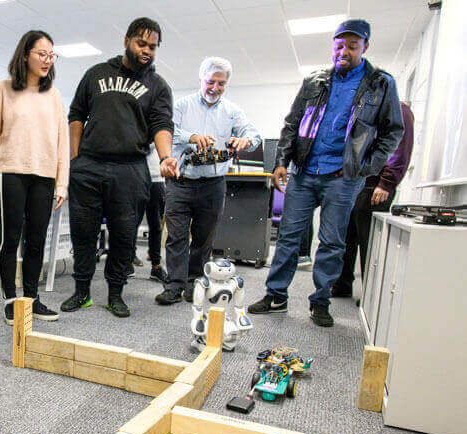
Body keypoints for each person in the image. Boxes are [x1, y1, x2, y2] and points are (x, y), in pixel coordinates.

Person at [249, 19, 404, 327]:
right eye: (339, 45)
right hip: (305, 171)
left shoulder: (380, 84)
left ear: (365, 47)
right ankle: (276, 295)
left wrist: (365, 167)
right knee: (289, 237)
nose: (344, 51)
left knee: (332, 241)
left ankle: (320, 301)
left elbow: (393, 131)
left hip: (343, 177)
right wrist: (281, 162)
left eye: (352, 46)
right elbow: (292, 123)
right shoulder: (315, 80)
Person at [61, 17, 177, 318]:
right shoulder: (96, 74)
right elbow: (76, 114)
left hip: (130, 169)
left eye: (153, 47)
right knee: (83, 233)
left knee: (124, 236)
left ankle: (115, 294)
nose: (147, 51)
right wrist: (75, 158)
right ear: (127, 40)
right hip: (89, 166)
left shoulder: (158, 86)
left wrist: (165, 157)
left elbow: (162, 125)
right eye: (141, 44)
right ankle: (82, 292)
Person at [0, 30, 69, 325]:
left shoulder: (54, 96)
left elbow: (62, 142)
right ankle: (10, 299)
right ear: (25, 55)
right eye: (42, 54)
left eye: (51, 55)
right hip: (9, 171)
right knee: (10, 237)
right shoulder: (2, 90)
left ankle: (31, 298)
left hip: (44, 175)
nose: (47, 60)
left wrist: (62, 183)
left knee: (37, 240)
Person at [156, 56, 261, 305]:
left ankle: (194, 283)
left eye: (221, 83)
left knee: (204, 239)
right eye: (211, 81)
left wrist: (245, 140)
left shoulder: (232, 112)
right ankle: (174, 285)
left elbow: (253, 134)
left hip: (213, 185)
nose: (215, 87)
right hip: (180, 182)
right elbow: (166, 131)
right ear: (201, 79)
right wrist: (192, 136)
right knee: (177, 237)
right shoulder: (182, 106)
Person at [333, 101, 414, 297]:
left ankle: (370, 296)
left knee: (369, 244)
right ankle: (342, 285)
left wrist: (386, 182)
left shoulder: (399, 110)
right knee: (345, 238)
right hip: (353, 185)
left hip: (374, 187)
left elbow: (400, 149)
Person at [137, 149, 168, 283]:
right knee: (131, 222)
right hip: (136, 176)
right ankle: (127, 261)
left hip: (157, 177)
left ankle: (156, 266)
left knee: (156, 225)